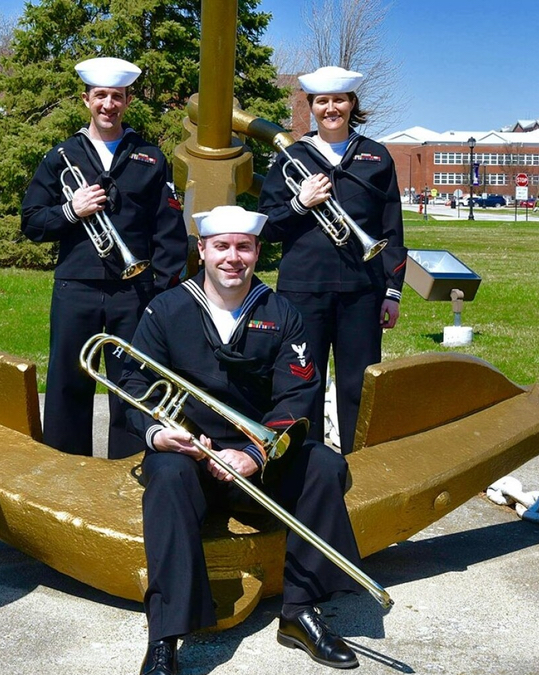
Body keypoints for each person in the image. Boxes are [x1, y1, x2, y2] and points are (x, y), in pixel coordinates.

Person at [122, 205, 364, 675]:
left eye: (243, 247)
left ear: (256, 252)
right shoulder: (167, 308)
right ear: (203, 251)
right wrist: (158, 433)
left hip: (259, 461)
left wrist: (256, 452)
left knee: (325, 466)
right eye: (222, 247)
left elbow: (298, 395)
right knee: (167, 477)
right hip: (188, 458)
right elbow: (132, 384)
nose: (233, 257)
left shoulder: (281, 312)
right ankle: (166, 637)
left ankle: (300, 612)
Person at [21, 57, 187, 459]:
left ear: (127, 101)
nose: (108, 104)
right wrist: (70, 211)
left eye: (117, 96)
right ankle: (67, 469)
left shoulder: (150, 157)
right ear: (86, 100)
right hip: (75, 286)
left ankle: (129, 467)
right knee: (67, 381)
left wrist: (159, 292)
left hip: (133, 291)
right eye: (100, 96)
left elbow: (169, 232)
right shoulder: (61, 156)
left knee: (133, 383)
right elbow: (31, 220)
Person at [258, 66, 407, 452]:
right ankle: (304, 469)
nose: (331, 108)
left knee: (359, 386)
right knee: (301, 383)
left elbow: (392, 230)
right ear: (311, 107)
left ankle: (359, 469)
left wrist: (393, 292)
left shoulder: (376, 156)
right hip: (302, 290)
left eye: (339, 100)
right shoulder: (292, 156)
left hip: (363, 290)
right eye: (322, 102)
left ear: (352, 104)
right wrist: (300, 202)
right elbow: (268, 227)